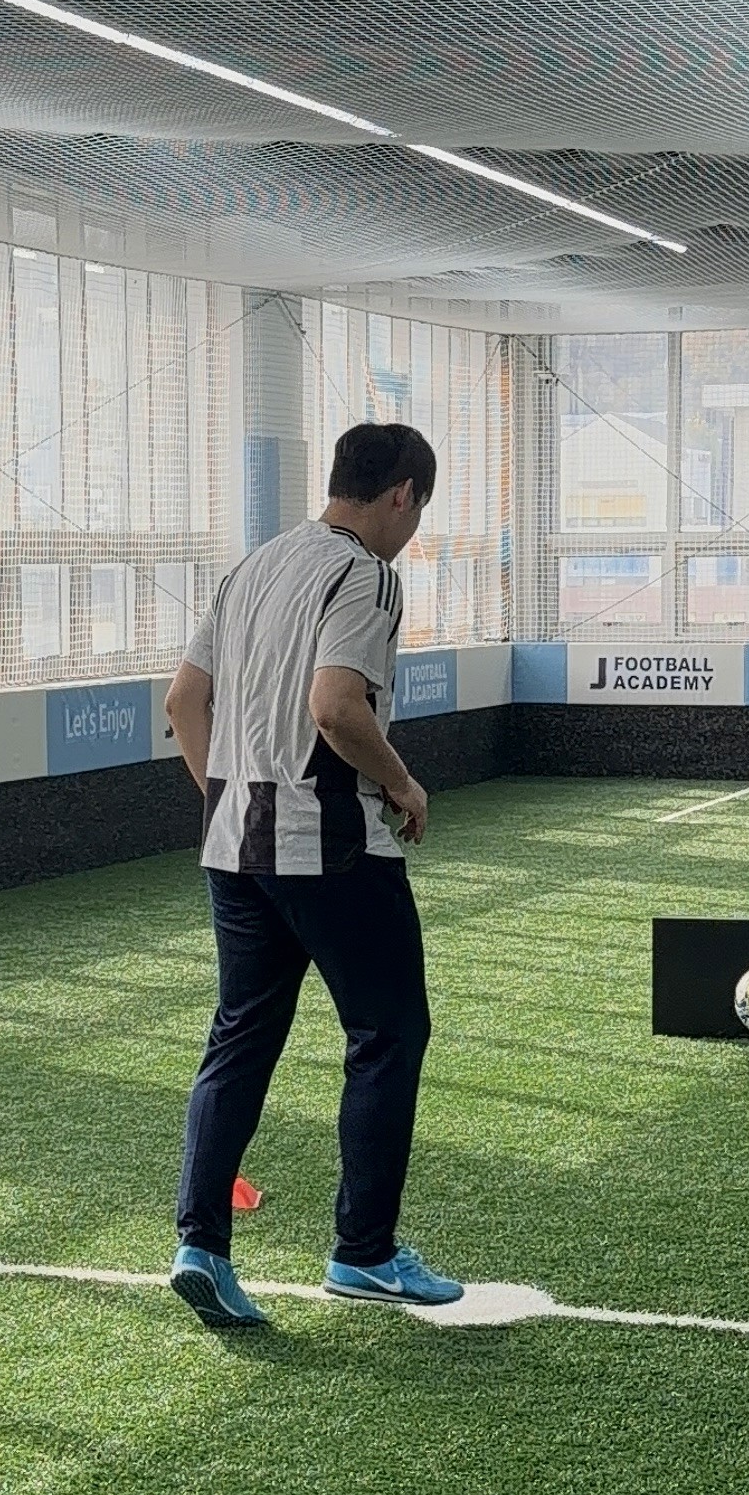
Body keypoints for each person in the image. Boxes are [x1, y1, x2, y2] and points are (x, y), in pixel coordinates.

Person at [163, 419, 464, 1331]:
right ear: (402, 493)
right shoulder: (365, 574)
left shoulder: (253, 566)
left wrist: (227, 800)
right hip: (330, 846)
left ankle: (200, 1245)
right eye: (421, 509)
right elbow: (335, 709)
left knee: (241, 1037)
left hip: (235, 845)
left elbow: (182, 703)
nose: (413, 531)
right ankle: (364, 1254)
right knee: (388, 1033)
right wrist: (403, 781)